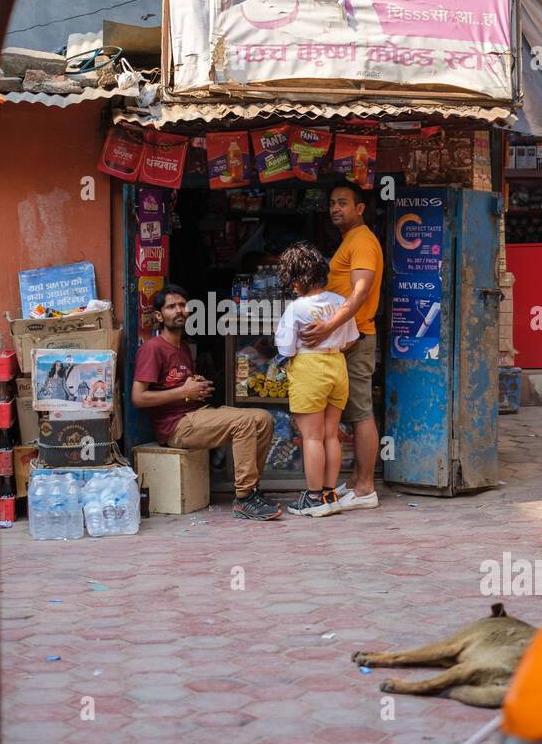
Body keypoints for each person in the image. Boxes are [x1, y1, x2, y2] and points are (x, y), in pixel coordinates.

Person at [131, 284, 282, 521]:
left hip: (196, 414)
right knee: (243, 421)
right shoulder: (153, 349)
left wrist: (196, 388)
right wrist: (183, 391)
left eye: (182, 305)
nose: (179, 310)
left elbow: (179, 387)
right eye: (171, 307)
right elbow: (138, 398)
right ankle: (244, 499)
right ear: (159, 316)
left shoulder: (182, 346)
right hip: (177, 427)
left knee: (263, 418)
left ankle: (252, 490)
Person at [300, 181, 384, 510]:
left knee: (361, 412)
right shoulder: (350, 240)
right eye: (332, 203)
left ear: (360, 208)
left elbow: (361, 291)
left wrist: (328, 326)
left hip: (356, 337)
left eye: (343, 203)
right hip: (345, 339)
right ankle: (357, 482)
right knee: (350, 413)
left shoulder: (362, 241)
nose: (335, 209)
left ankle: (365, 487)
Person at [275, 242, 359, 517]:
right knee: (330, 434)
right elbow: (350, 339)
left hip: (309, 366)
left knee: (311, 437)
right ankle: (329, 494)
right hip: (337, 364)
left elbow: (286, 349)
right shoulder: (339, 303)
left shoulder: (296, 308)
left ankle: (313, 499)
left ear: (297, 281)